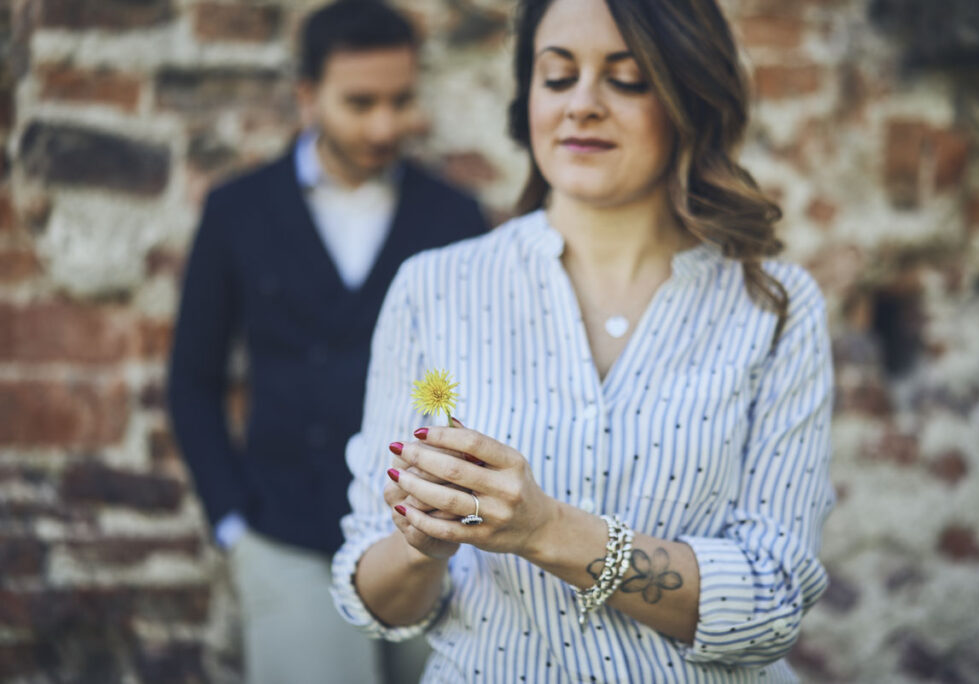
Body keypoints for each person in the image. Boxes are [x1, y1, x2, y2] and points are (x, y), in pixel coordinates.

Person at [331, 0, 834, 681]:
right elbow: (370, 596)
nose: (582, 105)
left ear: (690, 98)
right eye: (557, 76)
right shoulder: (434, 289)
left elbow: (772, 602)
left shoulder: (772, 307)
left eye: (626, 80)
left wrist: (545, 530)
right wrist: (421, 543)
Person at [167, 1, 489, 682]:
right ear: (307, 97)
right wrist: (232, 525)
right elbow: (193, 379)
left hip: (425, 542)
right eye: (359, 102)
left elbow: (484, 379)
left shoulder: (455, 216)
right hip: (284, 532)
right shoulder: (238, 210)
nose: (383, 124)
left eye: (400, 101)